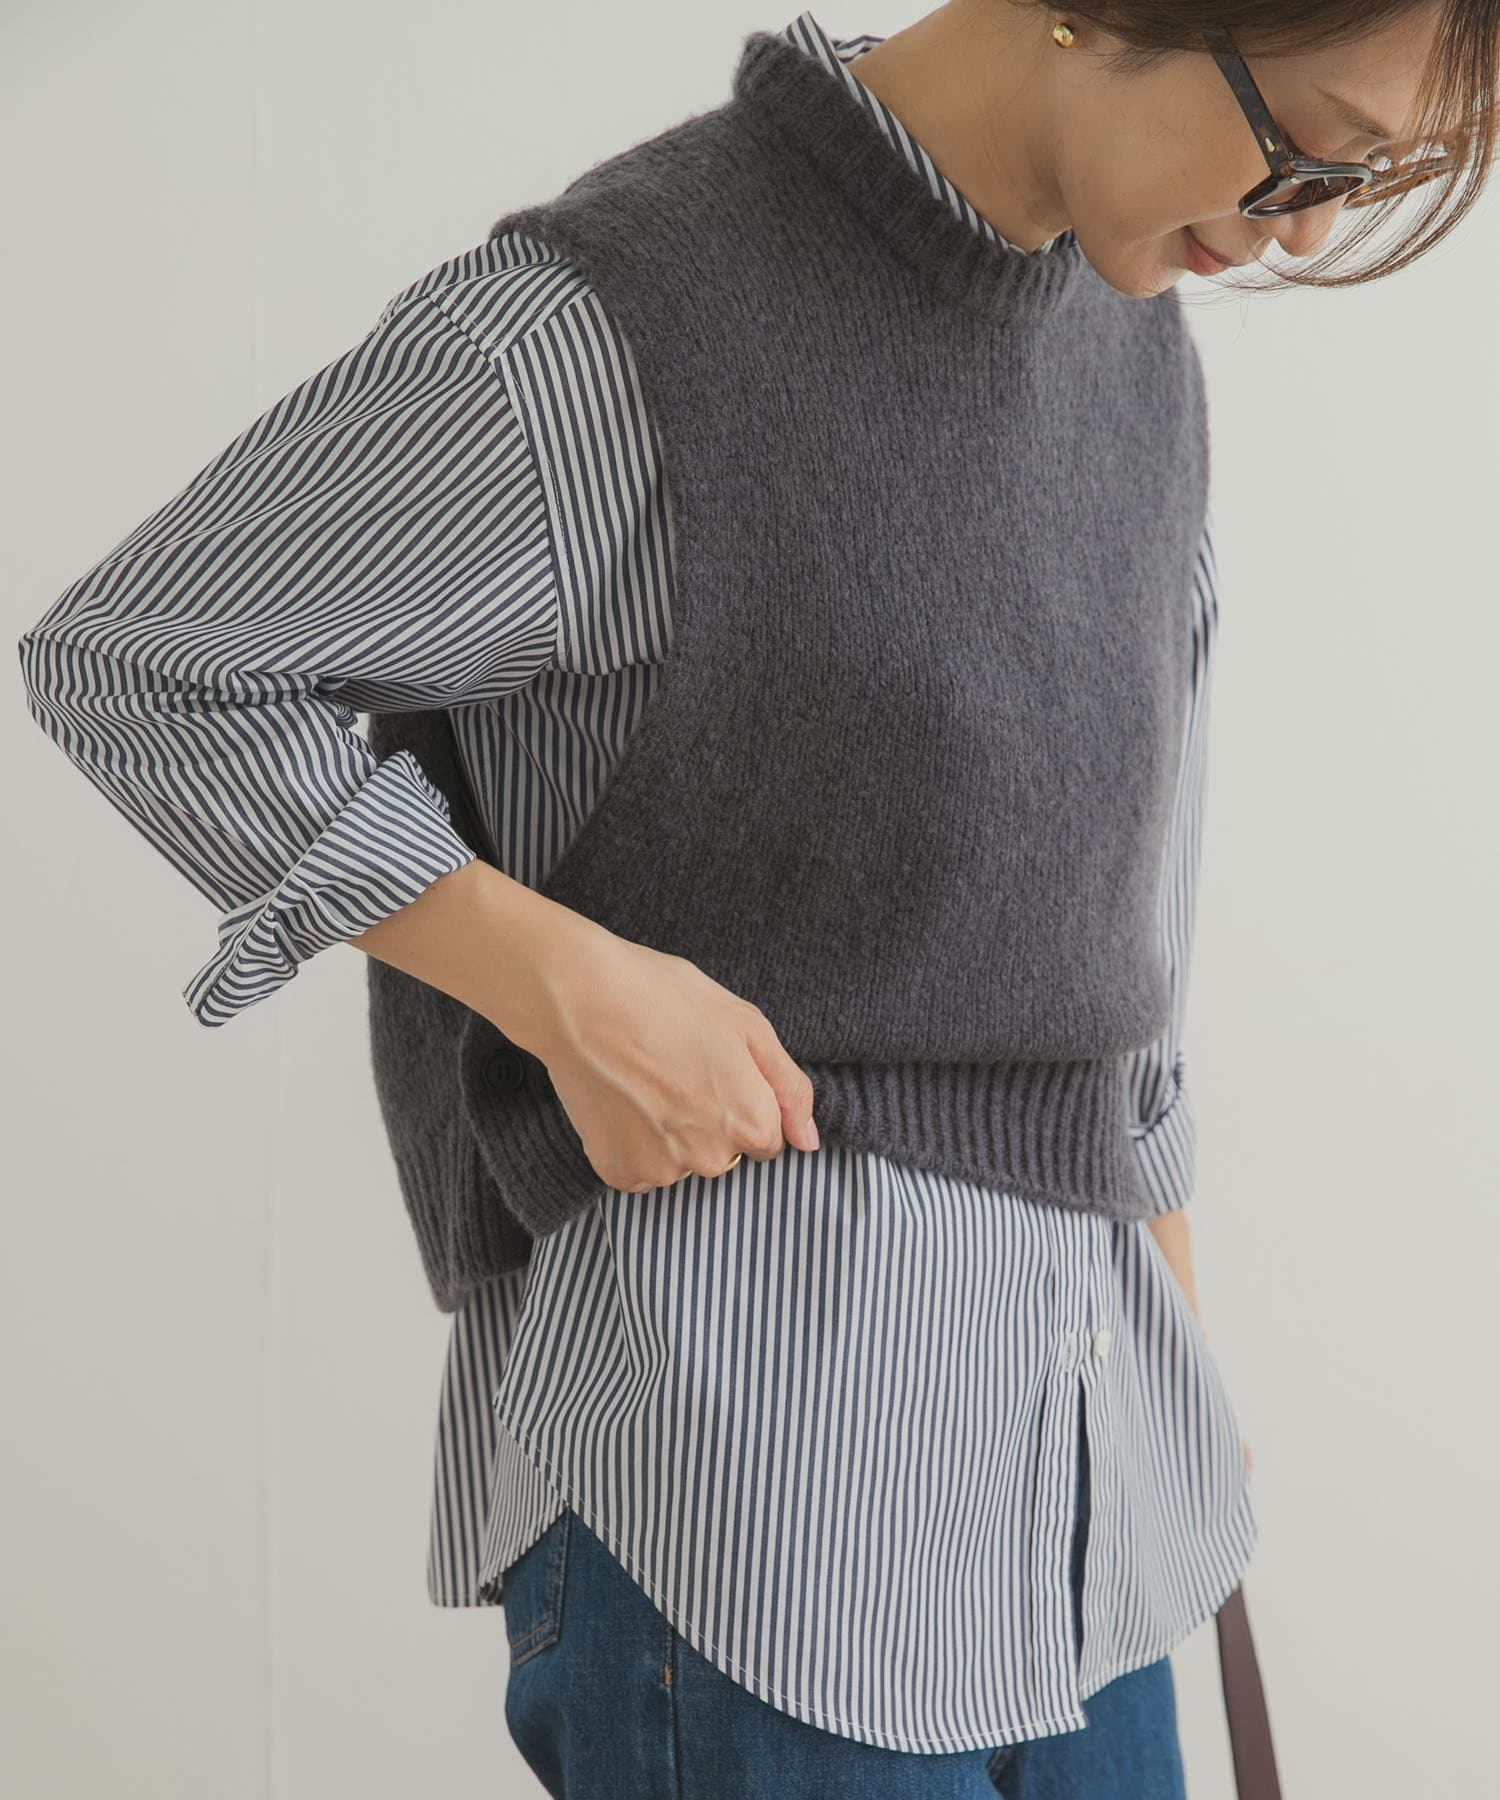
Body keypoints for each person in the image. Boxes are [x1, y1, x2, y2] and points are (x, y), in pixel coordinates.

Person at [17, 5, 1494, 1796]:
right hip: (757, 1514)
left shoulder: (1134, 344)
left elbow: (1128, 946)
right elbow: (149, 662)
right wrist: (554, 979)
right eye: (1310, 148)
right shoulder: (605, 337)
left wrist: (1179, 1369)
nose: (1310, 228)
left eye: (1369, 179)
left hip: (1092, 1506)